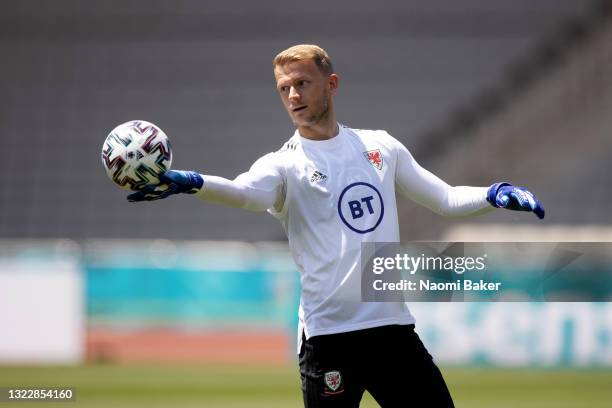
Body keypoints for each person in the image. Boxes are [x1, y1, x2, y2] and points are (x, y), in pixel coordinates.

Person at [128, 44, 545, 407]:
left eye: (302, 83)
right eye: (284, 89)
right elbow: (244, 193)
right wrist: (194, 183)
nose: (293, 95)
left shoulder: (380, 146)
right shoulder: (283, 164)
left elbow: (445, 199)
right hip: (329, 340)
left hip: (391, 331)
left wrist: (494, 194)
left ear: (331, 84)